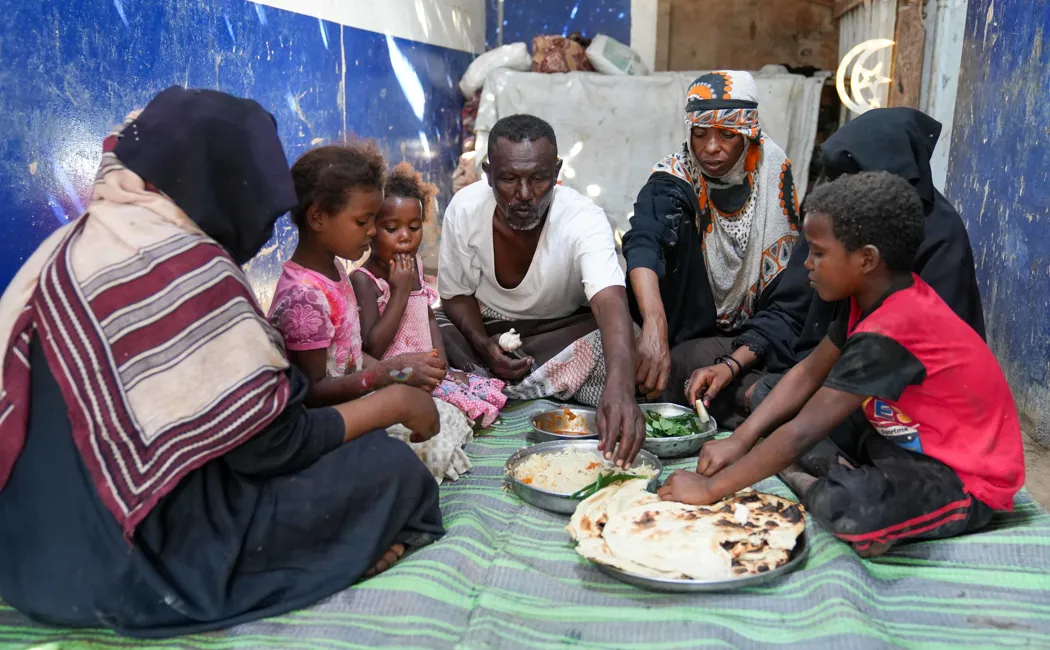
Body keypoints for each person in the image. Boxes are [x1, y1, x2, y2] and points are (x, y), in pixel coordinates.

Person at [0, 88, 444, 637]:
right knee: (389, 469)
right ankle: (335, 555)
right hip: (128, 569)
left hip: (24, 560)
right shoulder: (188, 271)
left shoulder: (67, 251)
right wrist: (394, 401)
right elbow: (272, 447)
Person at [659, 171, 1024, 557]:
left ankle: (811, 481)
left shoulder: (896, 327)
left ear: (866, 259)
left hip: (963, 477)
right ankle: (826, 468)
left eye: (818, 252)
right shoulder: (864, 299)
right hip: (898, 436)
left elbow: (802, 431)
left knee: (851, 508)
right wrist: (739, 441)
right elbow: (807, 373)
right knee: (769, 393)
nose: (808, 265)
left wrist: (711, 489)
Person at [687, 108, 986, 427]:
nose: (843, 188)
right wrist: (732, 365)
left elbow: (916, 369)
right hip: (821, 362)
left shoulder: (938, 242)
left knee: (776, 405)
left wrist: (796, 393)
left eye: (854, 175)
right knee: (691, 365)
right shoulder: (833, 217)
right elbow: (793, 310)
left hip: (897, 393)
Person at [436, 114, 645, 467]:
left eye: (538, 178)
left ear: (557, 171)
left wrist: (621, 388)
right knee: (429, 333)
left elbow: (609, 300)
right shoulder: (465, 209)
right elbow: (455, 295)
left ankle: (487, 389)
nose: (524, 195)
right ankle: (502, 379)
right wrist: (484, 346)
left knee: (627, 346)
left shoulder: (583, 218)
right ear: (488, 174)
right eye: (508, 179)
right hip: (486, 330)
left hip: (560, 334)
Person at [270, 145, 475, 483]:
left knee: (446, 417)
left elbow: (350, 350)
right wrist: (385, 376)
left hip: (359, 395)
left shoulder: (333, 270)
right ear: (318, 217)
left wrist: (398, 376)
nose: (371, 231)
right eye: (363, 221)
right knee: (422, 445)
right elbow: (313, 393)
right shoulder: (305, 297)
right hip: (328, 423)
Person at [622, 71, 800, 426]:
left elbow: (789, 295)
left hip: (758, 333)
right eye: (700, 134)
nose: (710, 148)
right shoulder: (676, 177)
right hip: (688, 329)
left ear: (749, 135)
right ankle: (765, 401)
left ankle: (761, 396)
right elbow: (645, 240)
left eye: (727, 135)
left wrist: (736, 360)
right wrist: (655, 325)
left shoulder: (772, 173)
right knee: (678, 367)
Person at [352, 162, 507, 429]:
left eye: (413, 227)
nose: (405, 238)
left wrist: (443, 367)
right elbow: (372, 348)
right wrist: (399, 292)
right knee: (472, 410)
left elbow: (428, 318)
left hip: (428, 369)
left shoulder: (416, 266)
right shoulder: (364, 281)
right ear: (371, 229)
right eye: (392, 229)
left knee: (491, 390)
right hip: (397, 376)